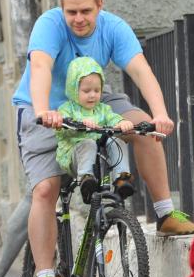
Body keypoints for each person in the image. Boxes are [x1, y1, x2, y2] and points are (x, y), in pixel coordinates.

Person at [13, 0, 194, 277]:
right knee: (46, 189)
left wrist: (160, 114)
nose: (78, 19)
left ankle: (166, 213)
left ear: (100, 5)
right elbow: (40, 67)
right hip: (45, 109)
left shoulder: (113, 27)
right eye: (71, 12)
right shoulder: (49, 25)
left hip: (92, 101)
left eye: (85, 11)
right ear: (62, 8)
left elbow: (141, 70)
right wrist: (44, 111)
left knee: (144, 128)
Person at [55, 56, 135, 205]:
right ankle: (86, 180)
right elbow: (61, 128)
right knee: (88, 143)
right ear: (74, 89)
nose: (92, 95)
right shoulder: (67, 109)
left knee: (116, 140)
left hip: (100, 152)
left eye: (97, 90)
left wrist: (122, 123)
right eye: (86, 91)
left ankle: (122, 178)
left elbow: (112, 117)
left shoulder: (103, 109)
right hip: (74, 156)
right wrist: (78, 124)